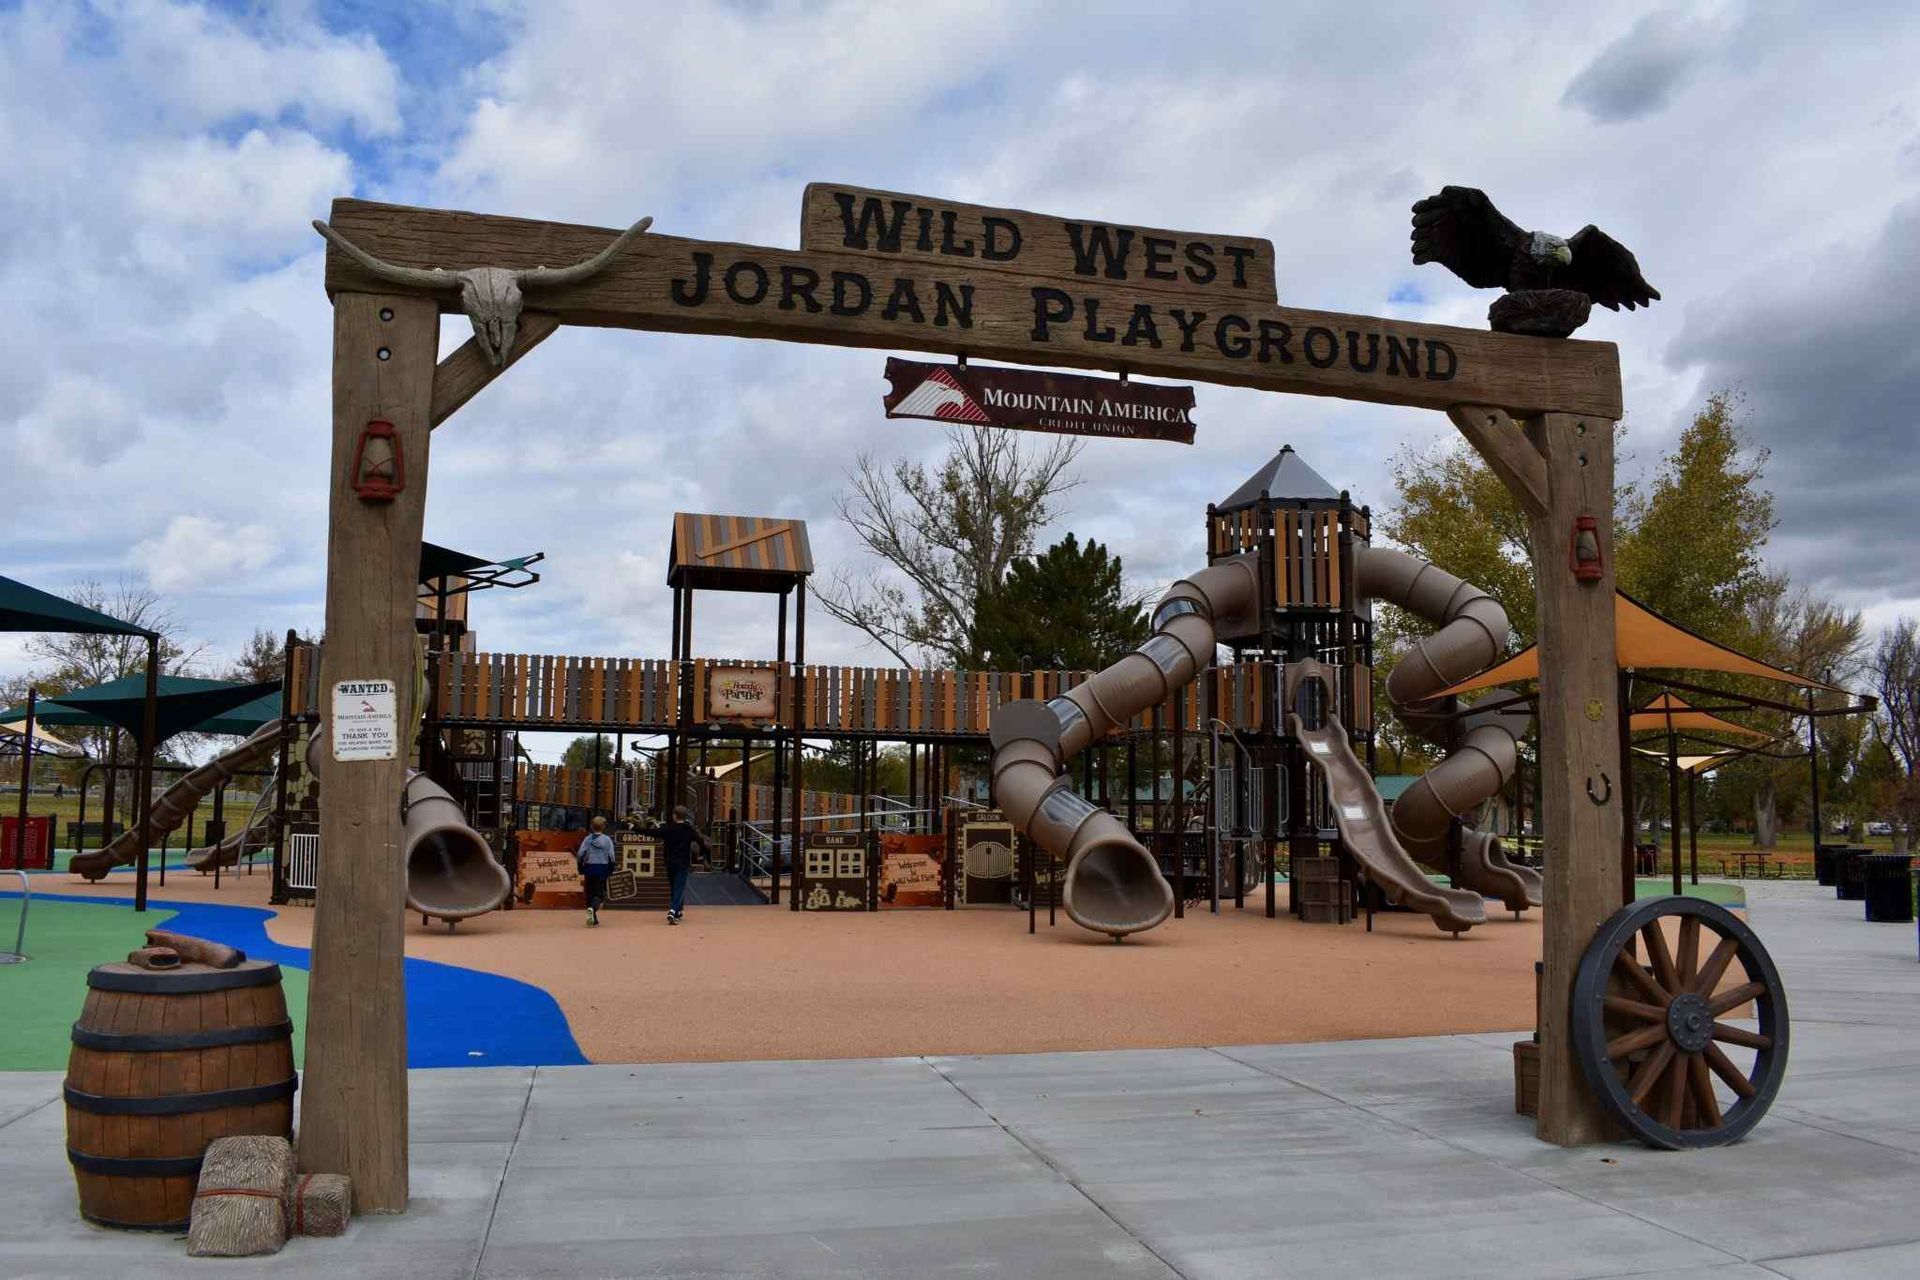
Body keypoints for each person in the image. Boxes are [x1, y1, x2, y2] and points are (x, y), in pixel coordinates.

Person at [659, 805, 711, 925]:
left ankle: (677, 910)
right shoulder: (689, 830)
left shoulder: (668, 828)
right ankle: (673, 910)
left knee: (673, 886)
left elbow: (651, 832)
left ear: (674, 815)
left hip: (669, 862)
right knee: (679, 886)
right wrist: (702, 854)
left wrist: (634, 827)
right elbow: (701, 841)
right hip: (682, 862)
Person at [575, 815, 617, 926]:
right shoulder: (607, 840)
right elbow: (611, 855)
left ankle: (592, 917)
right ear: (603, 827)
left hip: (589, 867)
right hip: (602, 867)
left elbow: (580, 853)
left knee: (589, 892)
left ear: (591, 827)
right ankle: (593, 909)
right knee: (600, 893)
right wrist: (611, 867)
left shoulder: (587, 839)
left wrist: (580, 864)